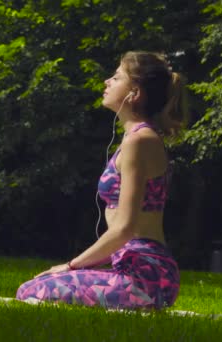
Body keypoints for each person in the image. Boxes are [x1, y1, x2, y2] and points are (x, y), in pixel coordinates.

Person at [16, 51, 189, 310]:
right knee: (36, 286)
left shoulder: (140, 141)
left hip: (147, 277)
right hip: (137, 269)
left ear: (135, 93)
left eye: (117, 77)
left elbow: (125, 229)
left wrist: (71, 265)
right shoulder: (137, 139)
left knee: (33, 290)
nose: (107, 81)